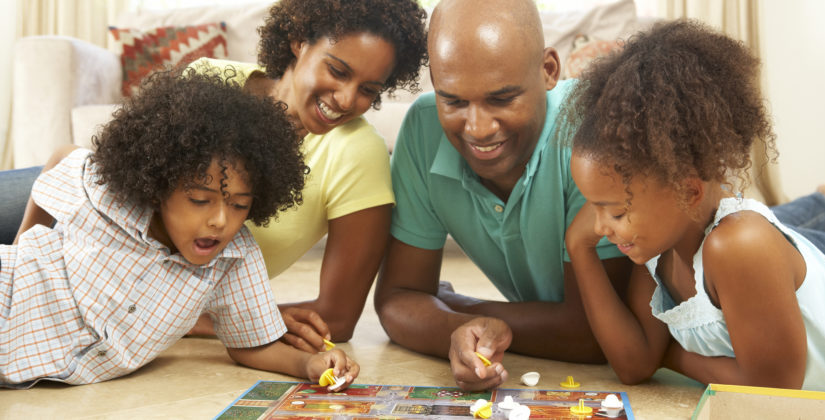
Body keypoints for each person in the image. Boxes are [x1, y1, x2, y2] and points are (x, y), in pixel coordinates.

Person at [0, 70, 359, 388]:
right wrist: (22, 244)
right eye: (200, 201)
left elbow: (252, 344)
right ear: (158, 187)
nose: (220, 220)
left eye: (238, 205)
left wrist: (308, 364)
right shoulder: (109, 194)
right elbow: (64, 157)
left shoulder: (235, 259)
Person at [562, 20, 825, 393]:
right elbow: (634, 364)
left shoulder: (740, 246)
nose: (601, 226)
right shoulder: (658, 252)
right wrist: (578, 248)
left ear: (688, 193)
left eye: (616, 211)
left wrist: (669, 353)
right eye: (594, 207)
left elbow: (773, 393)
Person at [373, 0, 631, 392]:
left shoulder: (592, 134)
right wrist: (458, 331)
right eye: (454, 100)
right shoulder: (423, 129)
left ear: (549, 71)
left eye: (501, 98)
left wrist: (462, 307)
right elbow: (397, 301)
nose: (477, 128)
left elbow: (596, 334)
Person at [182, 0, 428, 351]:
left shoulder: (357, 154)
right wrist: (254, 319)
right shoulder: (207, 82)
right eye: (339, 71)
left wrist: (215, 320)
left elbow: (338, 318)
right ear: (299, 41)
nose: (346, 99)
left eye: (368, 90)